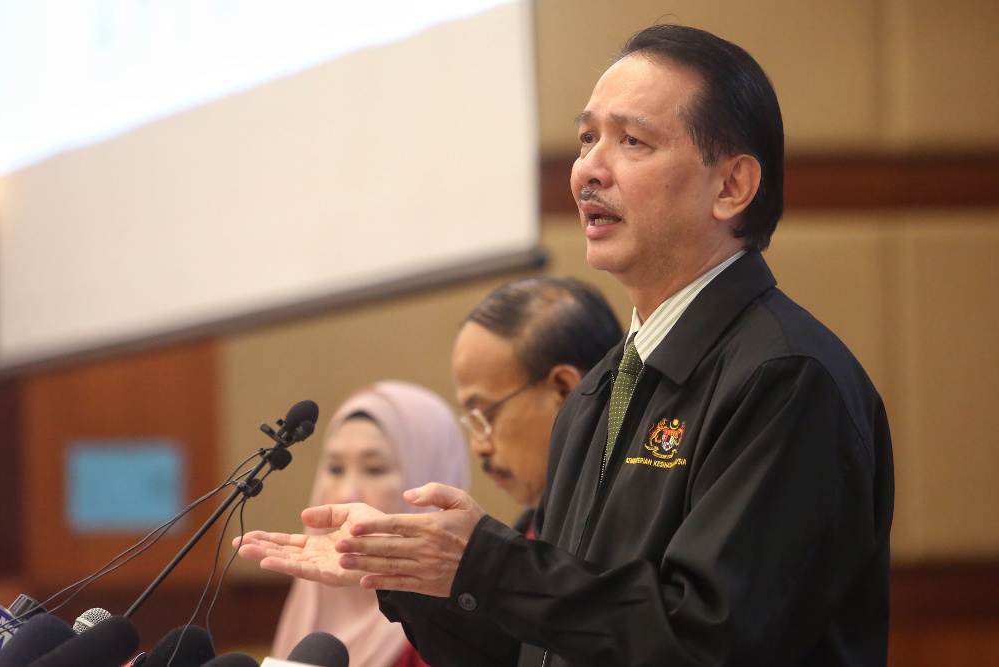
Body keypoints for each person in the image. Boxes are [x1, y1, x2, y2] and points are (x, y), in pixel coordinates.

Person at [237, 24, 894, 666]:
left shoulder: (785, 378)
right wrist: (410, 575)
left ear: (731, 187)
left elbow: (708, 641)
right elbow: (544, 647)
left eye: (632, 140)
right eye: (587, 139)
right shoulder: (598, 391)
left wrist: (488, 562)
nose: (587, 171)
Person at [267, 381, 468, 667]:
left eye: (374, 469)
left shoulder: (456, 635)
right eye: (335, 468)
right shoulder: (307, 607)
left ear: (431, 476)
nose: (347, 494)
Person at [452, 277, 622, 534]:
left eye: (488, 415)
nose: (479, 447)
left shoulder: (640, 519)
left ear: (564, 389)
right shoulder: (531, 536)